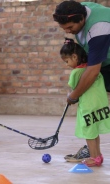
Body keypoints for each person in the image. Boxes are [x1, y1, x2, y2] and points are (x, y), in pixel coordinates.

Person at [53, 0, 110, 161]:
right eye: (64, 29)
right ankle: (93, 151)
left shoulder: (99, 27)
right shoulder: (81, 8)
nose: (68, 32)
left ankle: (94, 154)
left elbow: (92, 71)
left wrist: (73, 96)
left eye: (70, 28)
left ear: (82, 19)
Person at [60, 37, 110, 166]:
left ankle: (94, 158)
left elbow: (74, 93)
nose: (66, 64)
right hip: (100, 104)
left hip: (88, 107)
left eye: (66, 61)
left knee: (89, 133)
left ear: (75, 57)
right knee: (94, 131)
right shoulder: (92, 69)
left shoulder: (76, 73)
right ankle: (98, 155)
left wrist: (69, 97)